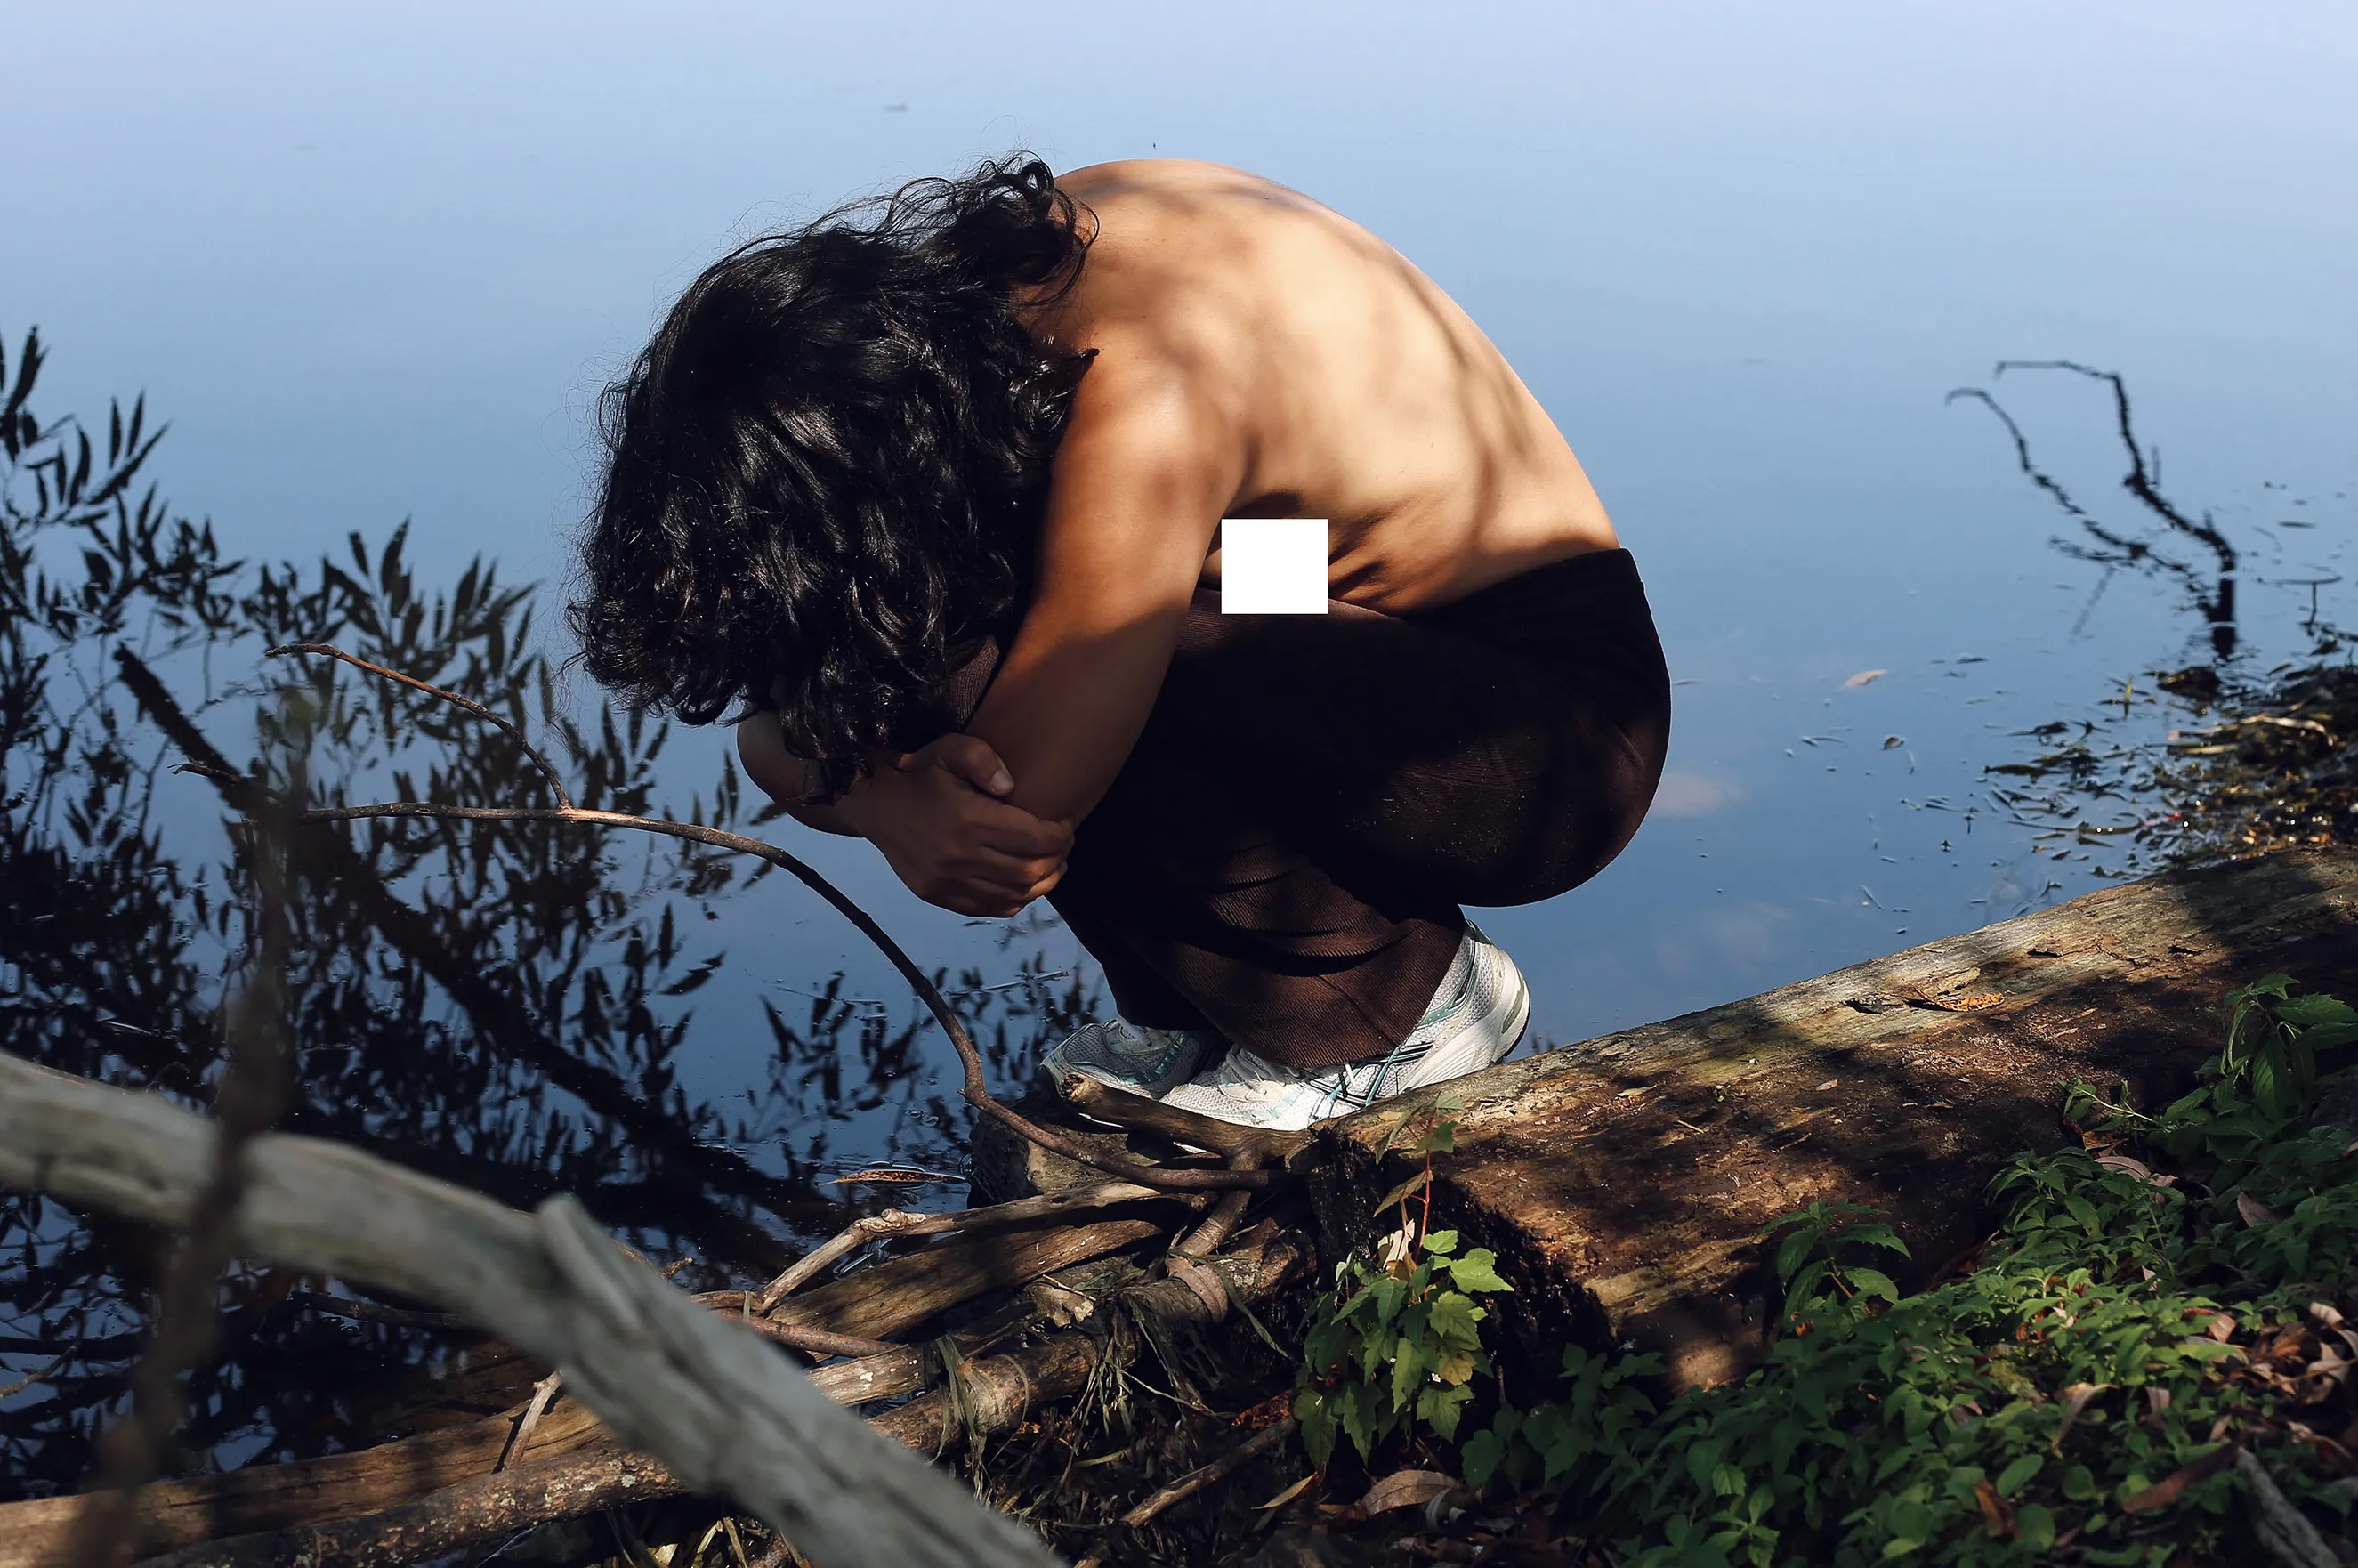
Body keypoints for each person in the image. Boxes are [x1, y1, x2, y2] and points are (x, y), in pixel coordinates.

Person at [569, 156, 1670, 1130]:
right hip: (1331, 610)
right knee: (968, 618)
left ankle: (1392, 1022)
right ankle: (1196, 1018)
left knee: (1002, 665)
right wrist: (878, 793)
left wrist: (892, 792)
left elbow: (1017, 801)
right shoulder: (978, 311)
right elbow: (798, 729)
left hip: (1543, 726)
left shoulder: (1147, 391)